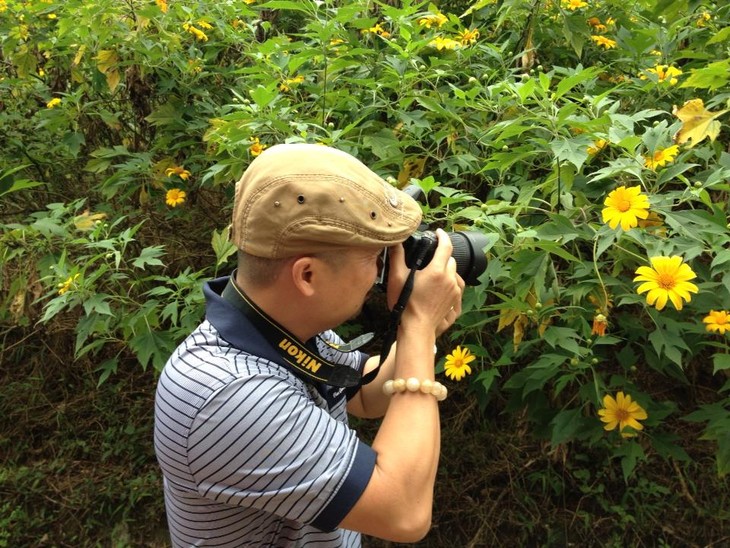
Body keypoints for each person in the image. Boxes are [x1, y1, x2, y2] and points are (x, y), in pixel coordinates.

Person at [154, 143, 465, 547]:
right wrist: (417, 327)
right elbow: (403, 512)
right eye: (375, 257)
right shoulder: (228, 395)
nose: (381, 272)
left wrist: (422, 326)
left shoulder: (280, 330)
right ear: (308, 276)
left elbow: (367, 396)